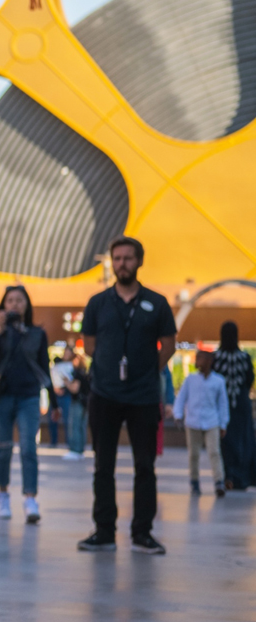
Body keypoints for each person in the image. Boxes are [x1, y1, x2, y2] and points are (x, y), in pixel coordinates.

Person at [77, 237, 178, 554]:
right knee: (102, 466)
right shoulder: (98, 303)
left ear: (139, 261)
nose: (122, 264)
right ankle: (104, 531)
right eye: (117, 258)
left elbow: (170, 344)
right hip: (105, 394)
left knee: (145, 466)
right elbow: (89, 344)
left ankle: (142, 533)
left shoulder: (157, 303)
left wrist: (148, 370)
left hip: (144, 396)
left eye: (128, 258)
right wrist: (108, 368)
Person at [0, 286, 51, 524]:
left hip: (28, 396)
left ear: (27, 305)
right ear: (3, 305)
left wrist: (51, 399)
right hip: (0, 396)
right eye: (10, 300)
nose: (14, 305)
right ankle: (2, 494)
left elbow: (44, 367)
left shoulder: (37, 333)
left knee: (29, 447)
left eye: (19, 300)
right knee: (4, 447)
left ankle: (30, 498)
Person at [173, 349, 228, 497]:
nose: (197, 361)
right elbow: (181, 398)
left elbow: (223, 404)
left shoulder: (218, 381)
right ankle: (194, 481)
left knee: (214, 452)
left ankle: (219, 481)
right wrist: (178, 414)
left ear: (209, 361)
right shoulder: (190, 380)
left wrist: (223, 424)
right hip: (193, 421)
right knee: (194, 454)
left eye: (201, 358)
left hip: (212, 421)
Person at [214, 321, 256, 490]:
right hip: (241, 406)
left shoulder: (216, 358)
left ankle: (228, 476)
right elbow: (249, 379)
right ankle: (242, 477)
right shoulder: (244, 358)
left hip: (223, 407)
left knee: (225, 442)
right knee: (244, 441)